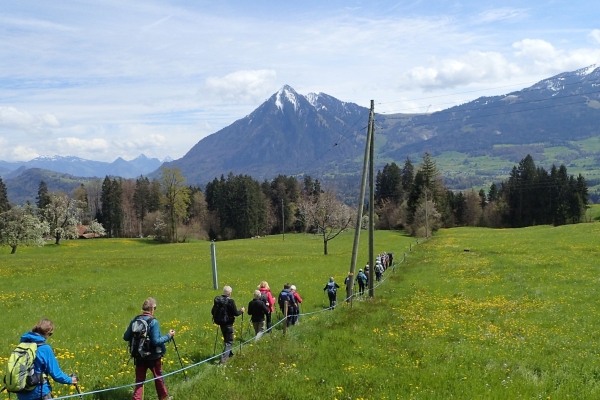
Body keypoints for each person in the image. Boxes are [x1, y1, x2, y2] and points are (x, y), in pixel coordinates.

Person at [123, 297, 174, 400]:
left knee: (139, 381)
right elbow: (156, 341)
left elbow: (126, 337)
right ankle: (163, 397)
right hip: (153, 357)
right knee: (158, 377)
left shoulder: (135, 319)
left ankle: (137, 398)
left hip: (139, 355)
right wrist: (169, 336)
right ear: (152, 308)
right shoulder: (153, 322)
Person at [14, 319, 77, 400]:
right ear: (48, 332)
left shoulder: (22, 345)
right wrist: (71, 380)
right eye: (50, 334)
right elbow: (56, 375)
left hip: (22, 393)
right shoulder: (44, 348)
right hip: (40, 393)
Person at [212, 285, 245, 364]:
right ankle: (223, 360)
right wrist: (242, 311)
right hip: (229, 324)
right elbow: (236, 313)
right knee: (229, 341)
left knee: (226, 340)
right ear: (230, 293)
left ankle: (230, 354)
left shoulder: (218, 300)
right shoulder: (230, 301)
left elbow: (212, 311)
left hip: (221, 323)